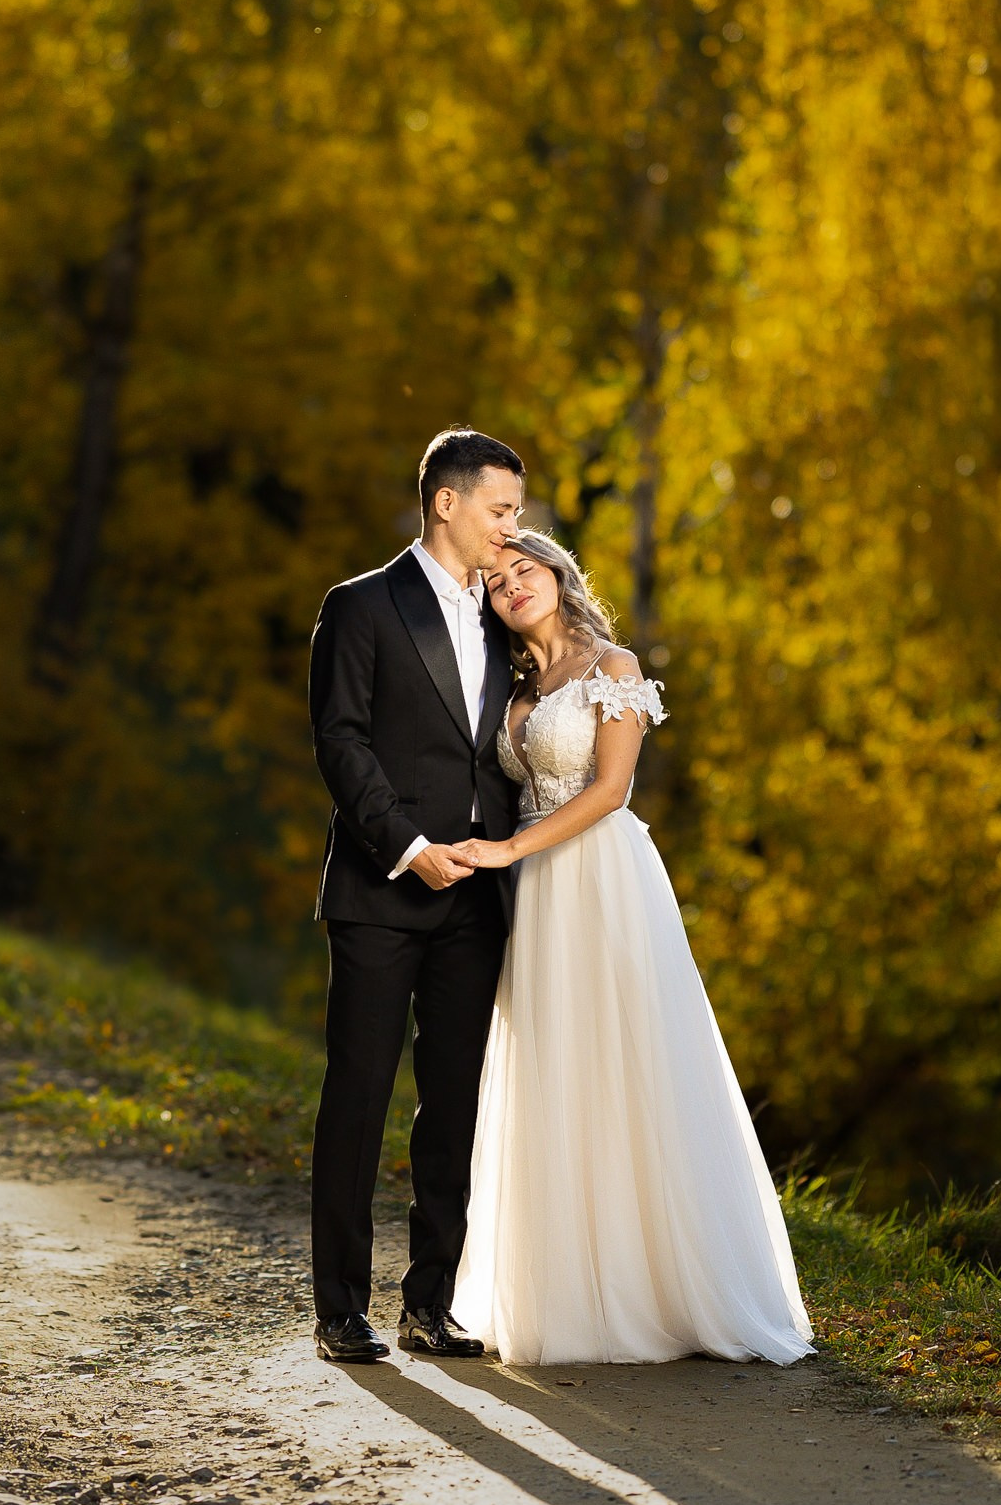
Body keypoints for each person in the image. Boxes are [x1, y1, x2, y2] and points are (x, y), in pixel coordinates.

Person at [443, 531, 812, 1364]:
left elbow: (611, 789)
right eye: (495, 582)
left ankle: (658, 1286)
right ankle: (566, 1290)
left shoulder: (613, 667)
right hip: (536, 895)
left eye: (524, 569)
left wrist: (508, 849)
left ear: (558, 574)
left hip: (601, 878)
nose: (511, 586)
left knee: (625, 1059)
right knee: (554, 1067)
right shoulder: (513, 687)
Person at [304, 427, 527, 1363]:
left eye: (516, 511)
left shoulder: (506, 613)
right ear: (446, 501)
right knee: (358, 1096)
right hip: (380, 888)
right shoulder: (360, 605)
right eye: (500, 508)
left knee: (454, 1105)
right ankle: (339, 1310)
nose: (511, 526)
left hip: (477, 900)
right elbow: (340, 740)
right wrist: (407, 844)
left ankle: (429, 1303)